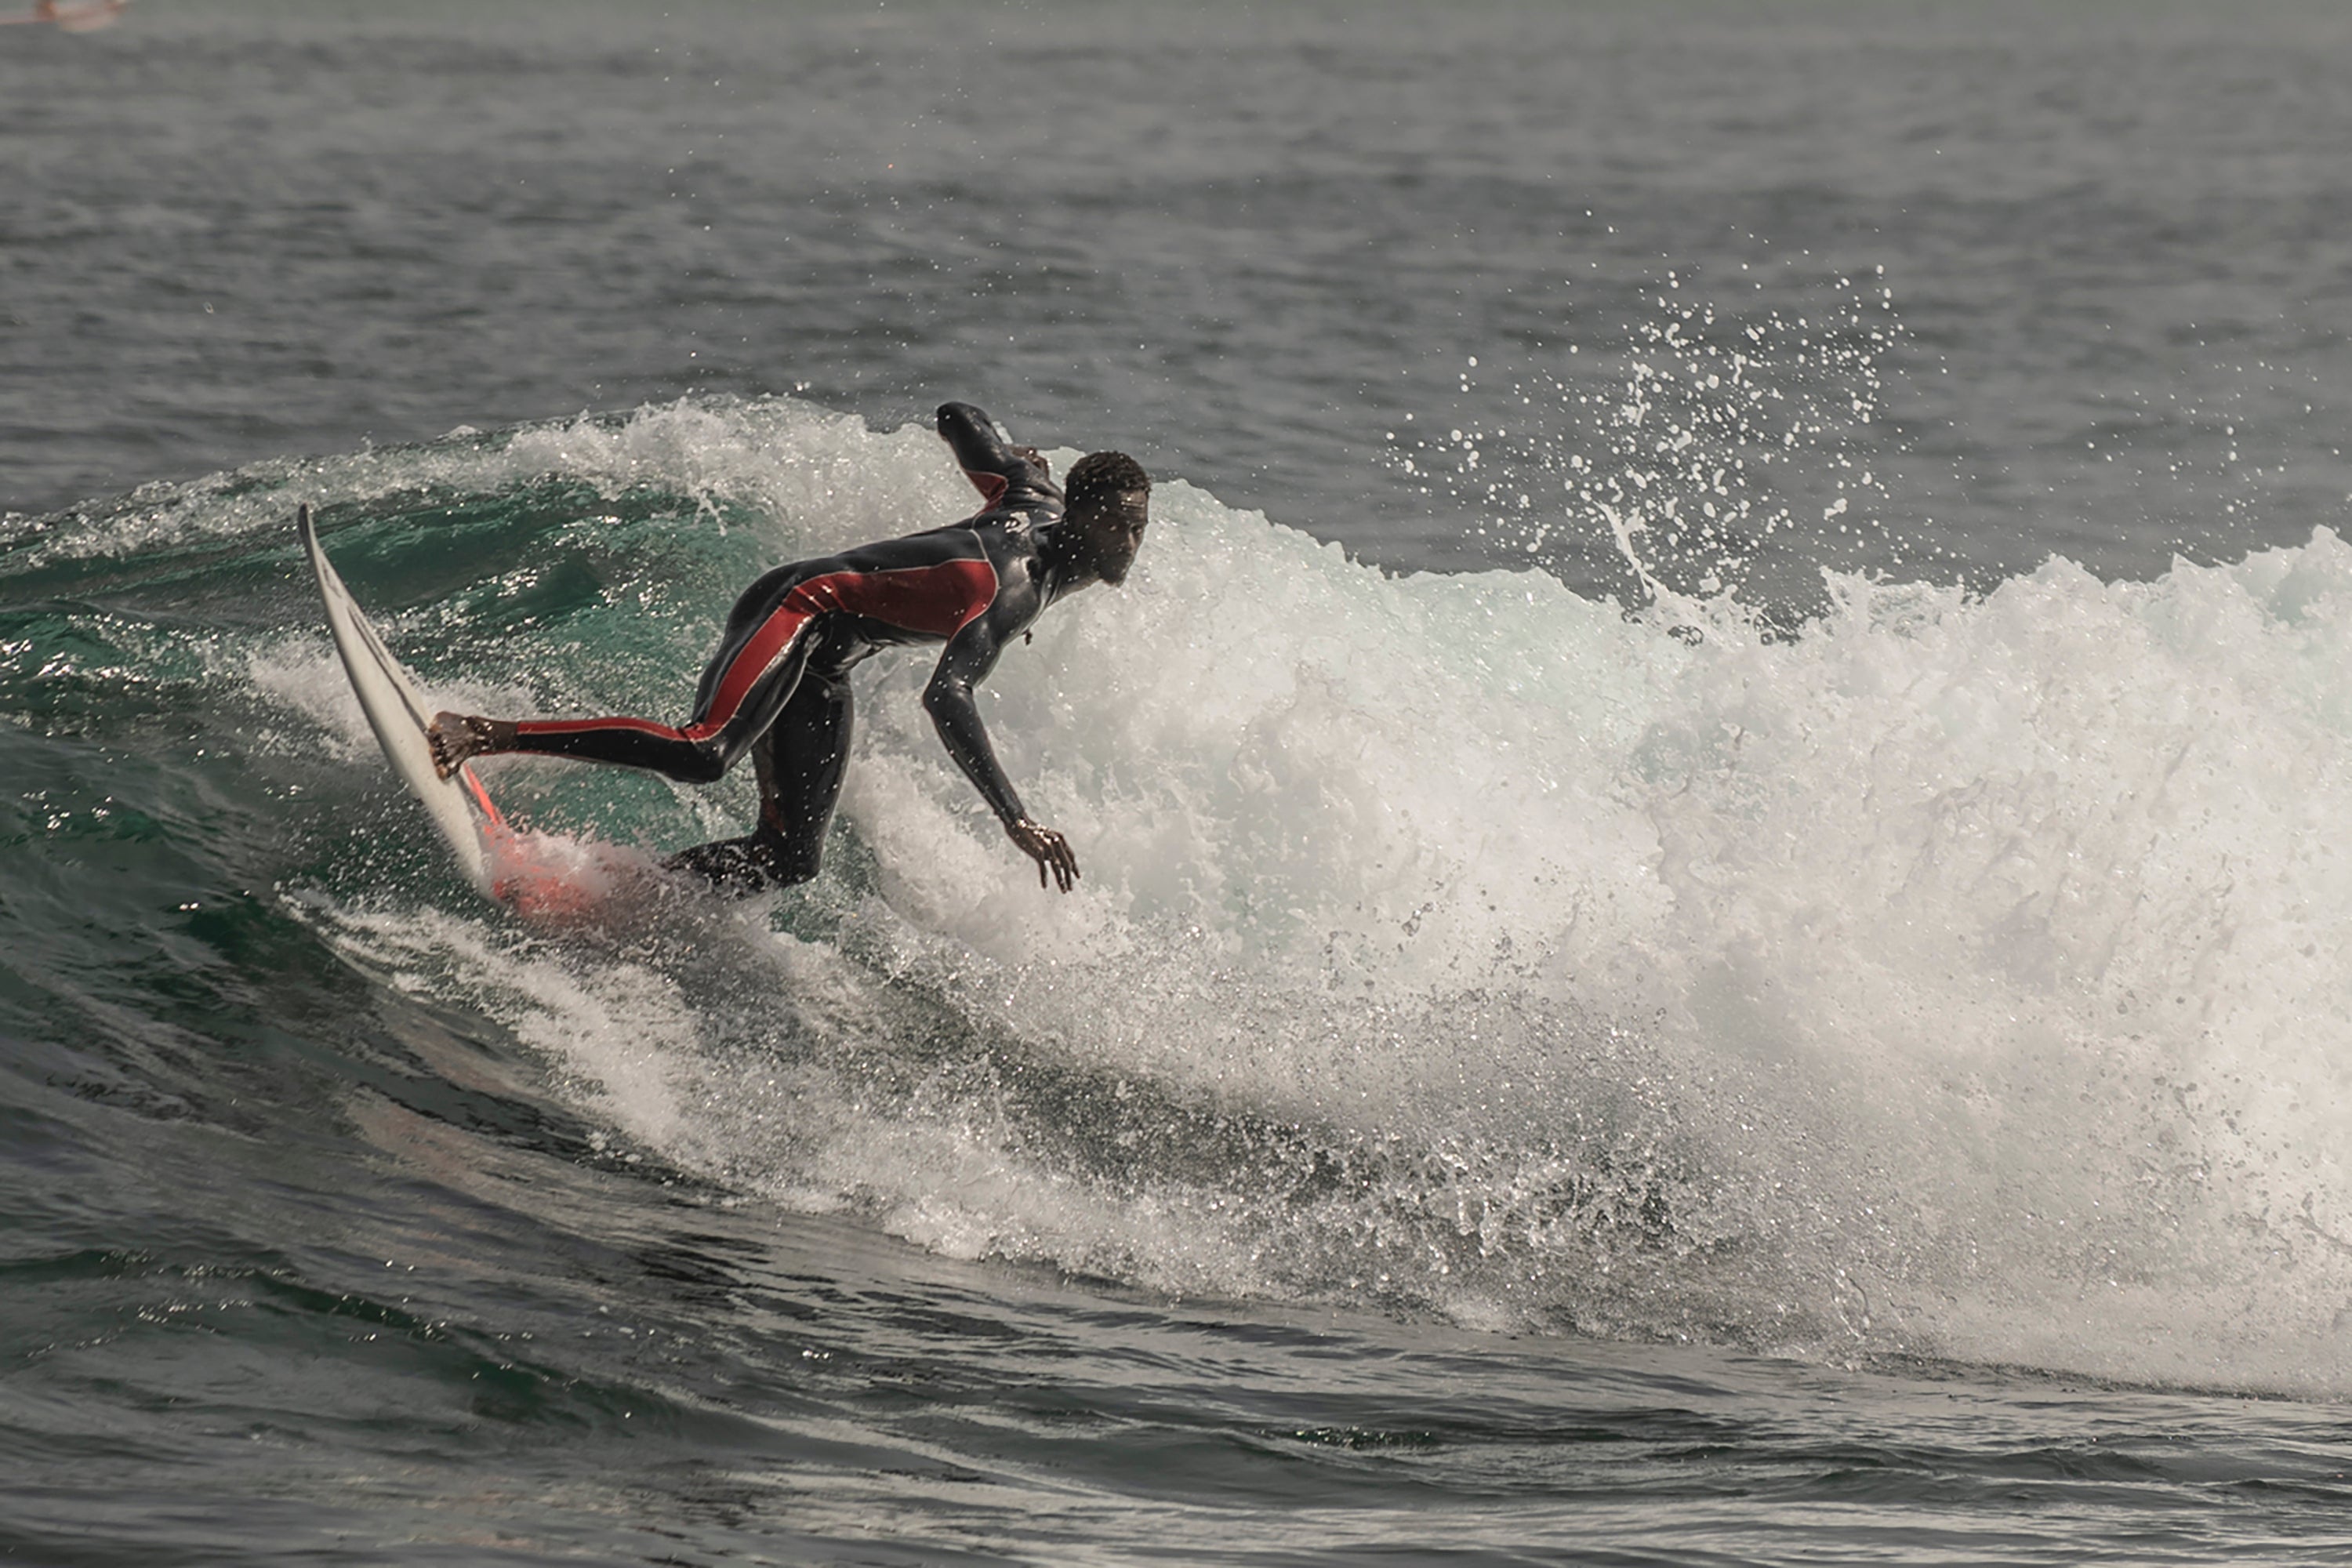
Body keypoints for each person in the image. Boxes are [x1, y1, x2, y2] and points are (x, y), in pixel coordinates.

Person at [428, 402, 1149, 896]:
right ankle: (482, 732)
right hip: (800, 605)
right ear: (1084, 515)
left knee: (789, 860)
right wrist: (1012, 816)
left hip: (829, 661)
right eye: (1120, 526)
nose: (1131, 543)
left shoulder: (1034, 494)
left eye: (1140, 527)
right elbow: (946, 694)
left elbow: (957, 417)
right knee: (704, 752)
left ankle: (610, 889)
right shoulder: (1011, 588)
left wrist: (1014, 451)